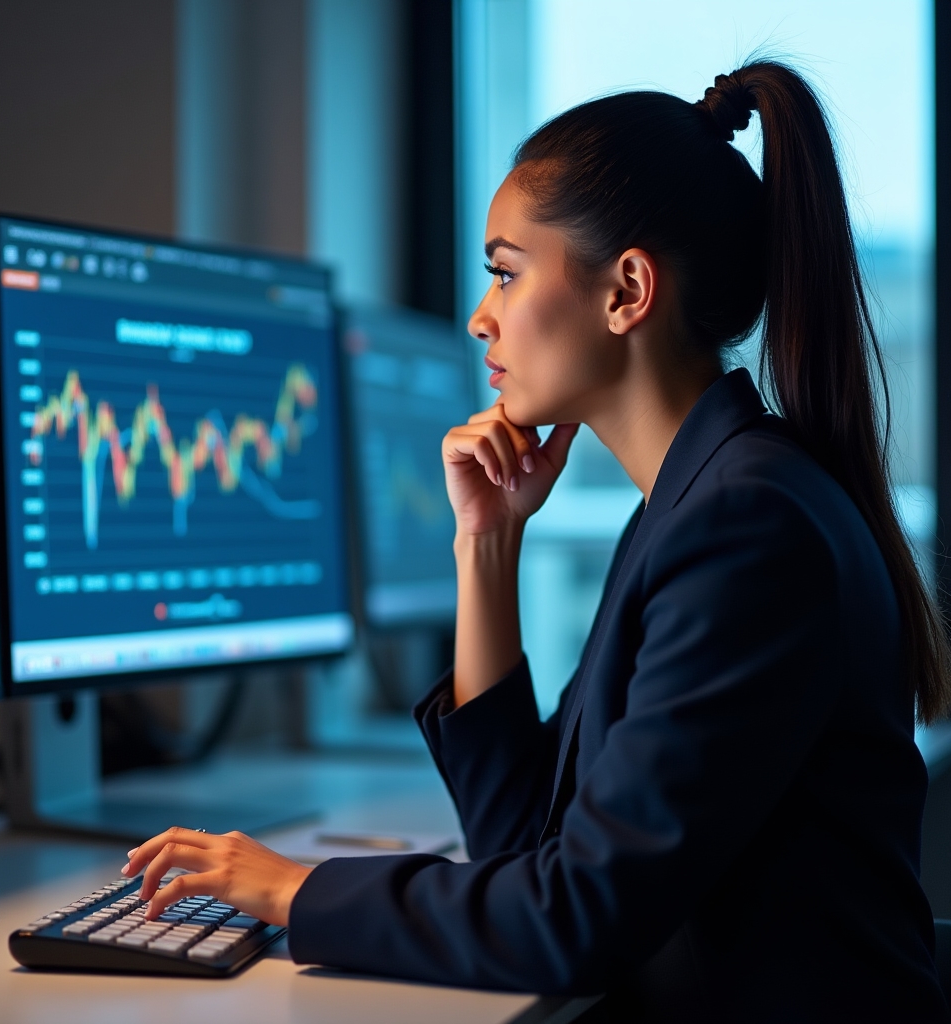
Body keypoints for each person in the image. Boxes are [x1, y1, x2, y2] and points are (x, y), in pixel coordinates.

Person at [123, 62, 951, 1021]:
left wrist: (295, 892)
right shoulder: (690, 506)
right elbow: (524, 843)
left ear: (627, 290)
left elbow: (577, 918)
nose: (482, 315)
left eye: (507, 272)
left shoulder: (743, 525)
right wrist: (489, 544)